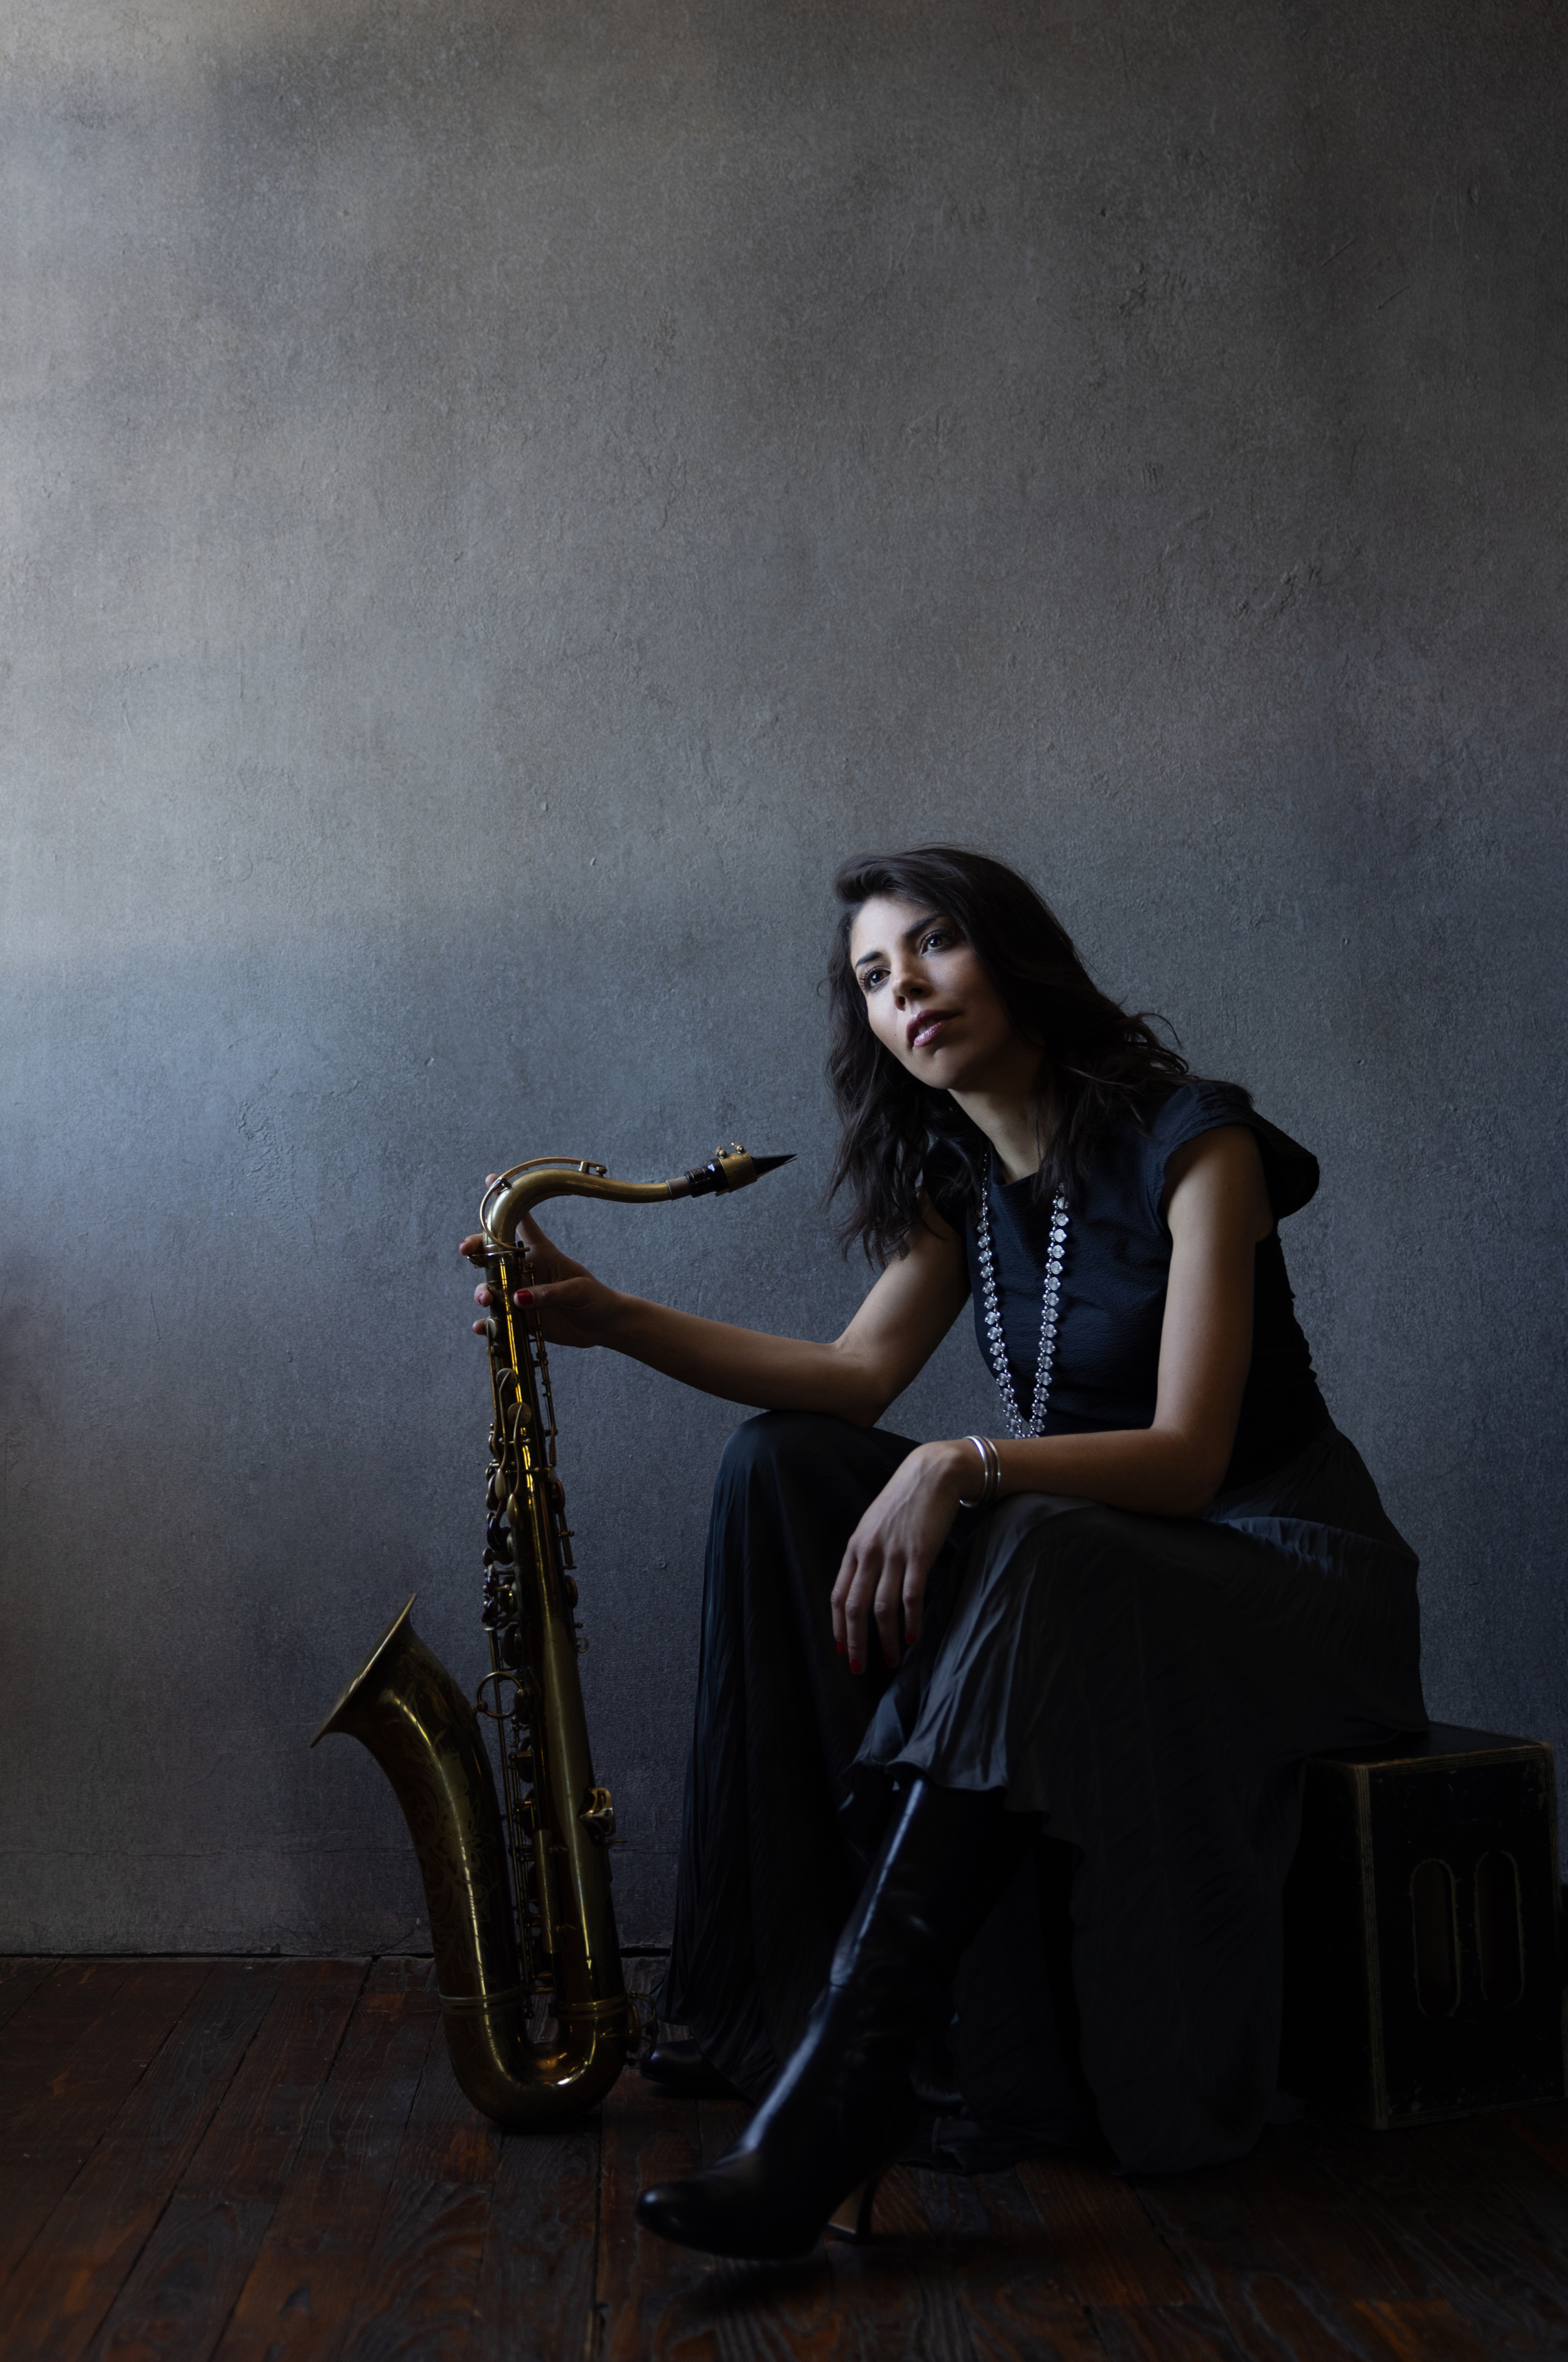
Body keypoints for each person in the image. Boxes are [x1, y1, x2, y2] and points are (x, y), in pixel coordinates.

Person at [459, 848, 1424, 2261]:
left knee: (1028, 1531)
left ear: (1012, 955)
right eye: (871, 975)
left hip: (1283, 1571)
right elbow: (851, 1378)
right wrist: (608, 1315)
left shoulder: (1195, 1141)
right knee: (783, 1463)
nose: (902, 986)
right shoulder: (960, 1180)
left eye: (930, 944)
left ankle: (842, 2100)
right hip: (1093, 1564)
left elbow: (1185, 1458)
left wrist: (959, 1461)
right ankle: (763, 2004)